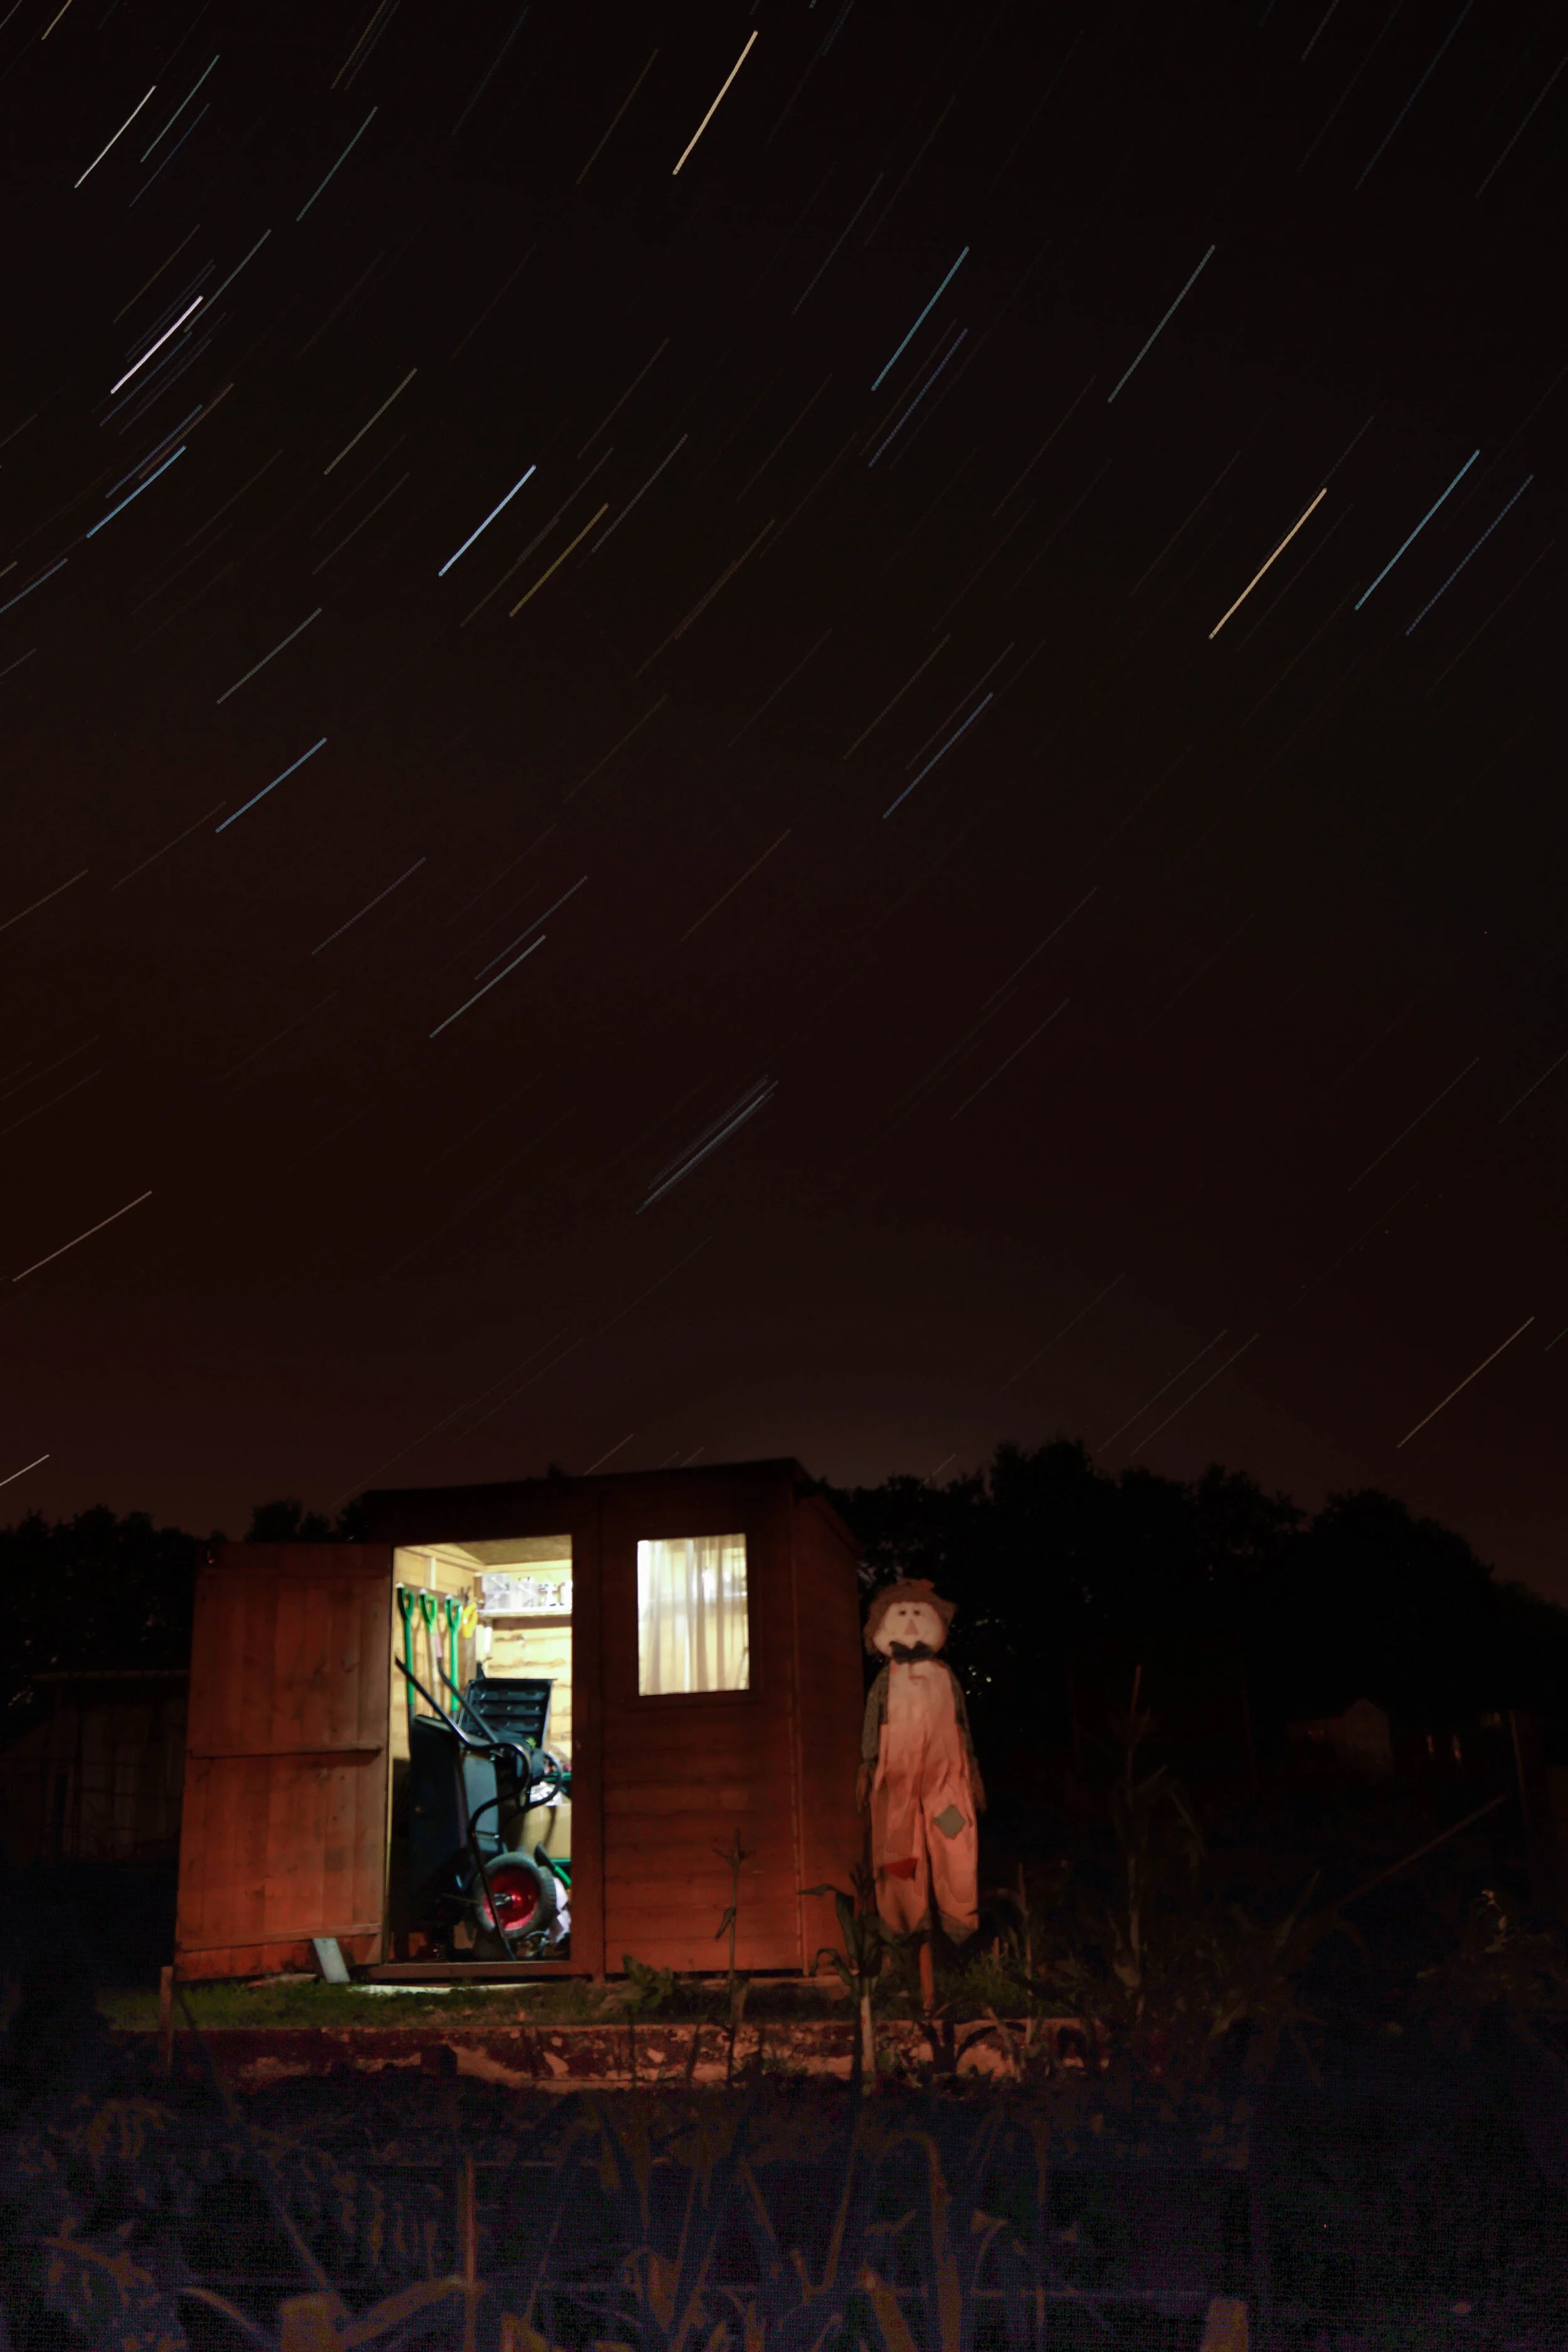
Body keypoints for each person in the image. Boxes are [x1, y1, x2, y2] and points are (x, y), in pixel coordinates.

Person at [856, 1577, 985, 2003]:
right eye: (901, 1614)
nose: (911, 1622)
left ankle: (958, 1918)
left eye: (919, 1613)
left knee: (954, 1835)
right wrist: (867, 1764)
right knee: (898, 1847)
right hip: (898, 1784)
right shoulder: (884, 1681)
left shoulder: (945, 1677)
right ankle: (905, 1926)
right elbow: (872, 1726)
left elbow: (962, 1725)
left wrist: (974, 1772)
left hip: (944, 1781)